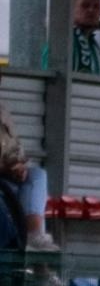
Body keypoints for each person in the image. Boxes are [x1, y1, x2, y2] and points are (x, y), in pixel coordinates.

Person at [0, 67, 57, 253]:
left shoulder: (2, 112)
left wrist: (20, 164)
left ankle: (34, 235)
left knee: (37, 175)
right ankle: (33, 247)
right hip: (3, 176)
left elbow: (14, 146)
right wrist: (7, 168)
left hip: (8, 174)